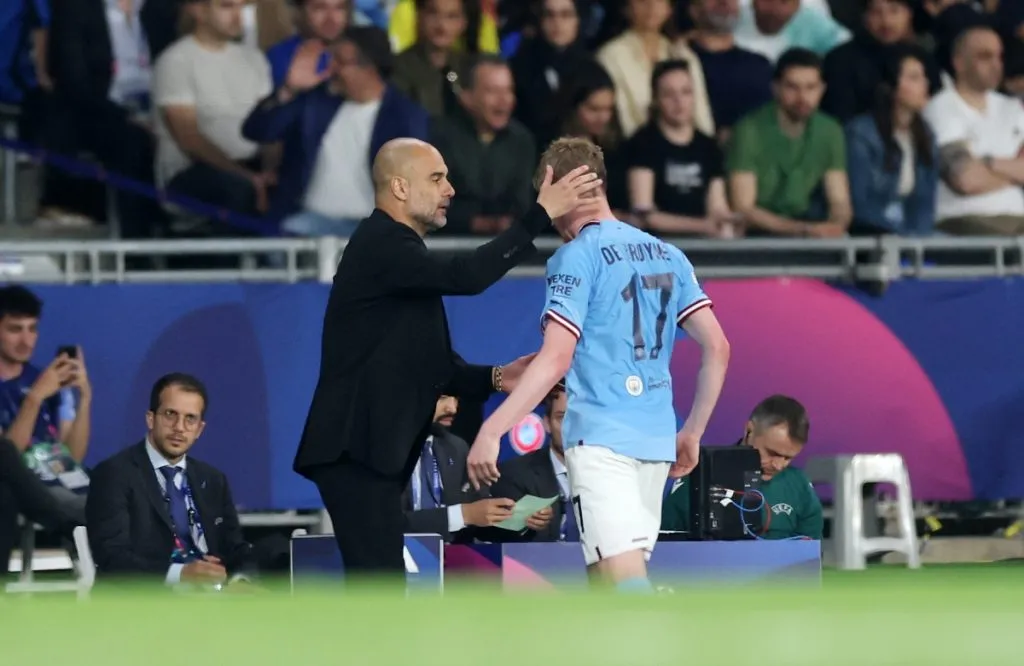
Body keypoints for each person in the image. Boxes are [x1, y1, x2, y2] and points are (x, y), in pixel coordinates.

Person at [293, 137, 601, 581]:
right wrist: (539, 216)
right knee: (377, 588)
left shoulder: (397, 255)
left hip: (366, 453)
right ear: (399, 187)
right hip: (354, 450)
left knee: (380, 584)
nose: (450, 189)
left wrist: (499, 377)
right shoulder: (381, 243)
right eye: (437, 178)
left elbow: (436, 367)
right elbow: (467, 276)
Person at [467, 137, 731, 593]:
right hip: (655, 440)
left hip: (602, 442)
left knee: (624, 583)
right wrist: (692, 431)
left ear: (551, 188)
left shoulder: (575, 257)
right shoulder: (669, 254)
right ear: (603, 184)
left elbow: (556, 357)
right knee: (607, 584)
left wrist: (493, 431)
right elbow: (718, 348)